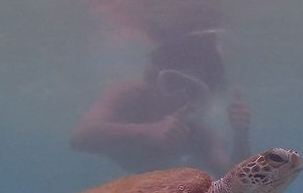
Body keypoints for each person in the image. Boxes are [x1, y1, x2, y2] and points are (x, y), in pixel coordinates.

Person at [71, 30, 252, 175]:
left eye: (192, 91)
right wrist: (147, 131)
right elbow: (80, 137)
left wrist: (241, 134)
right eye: (173, 82)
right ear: (153, 76)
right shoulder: (130, 94)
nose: (179, 97)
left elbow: (235, 181)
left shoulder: (196, 133)